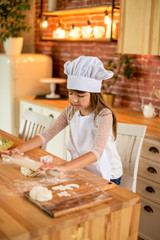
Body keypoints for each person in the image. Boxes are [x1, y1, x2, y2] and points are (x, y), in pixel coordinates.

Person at [0, 56, 123, 184]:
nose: (74, 100)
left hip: (108, 174)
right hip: (81, 168)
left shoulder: (103, 115)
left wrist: (63, 167)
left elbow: (96, 153)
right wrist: (18, 150)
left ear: (94, 93)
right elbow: (46, 135)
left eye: (80, 96)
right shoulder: (71, 110)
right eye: (70, 93)